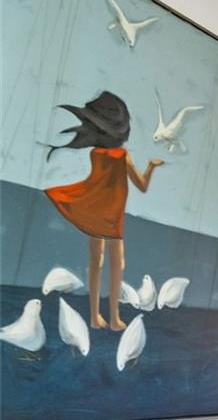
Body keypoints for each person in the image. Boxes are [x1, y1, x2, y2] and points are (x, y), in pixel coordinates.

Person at [43, 92, 162, 331]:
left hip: (98, 213)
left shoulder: (95, 153)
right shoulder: (122, 156)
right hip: (112, 217)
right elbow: (142, 186)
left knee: (95, 263)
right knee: (117, 265)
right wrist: (150, 166)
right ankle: (115, 318)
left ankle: (95, 317)